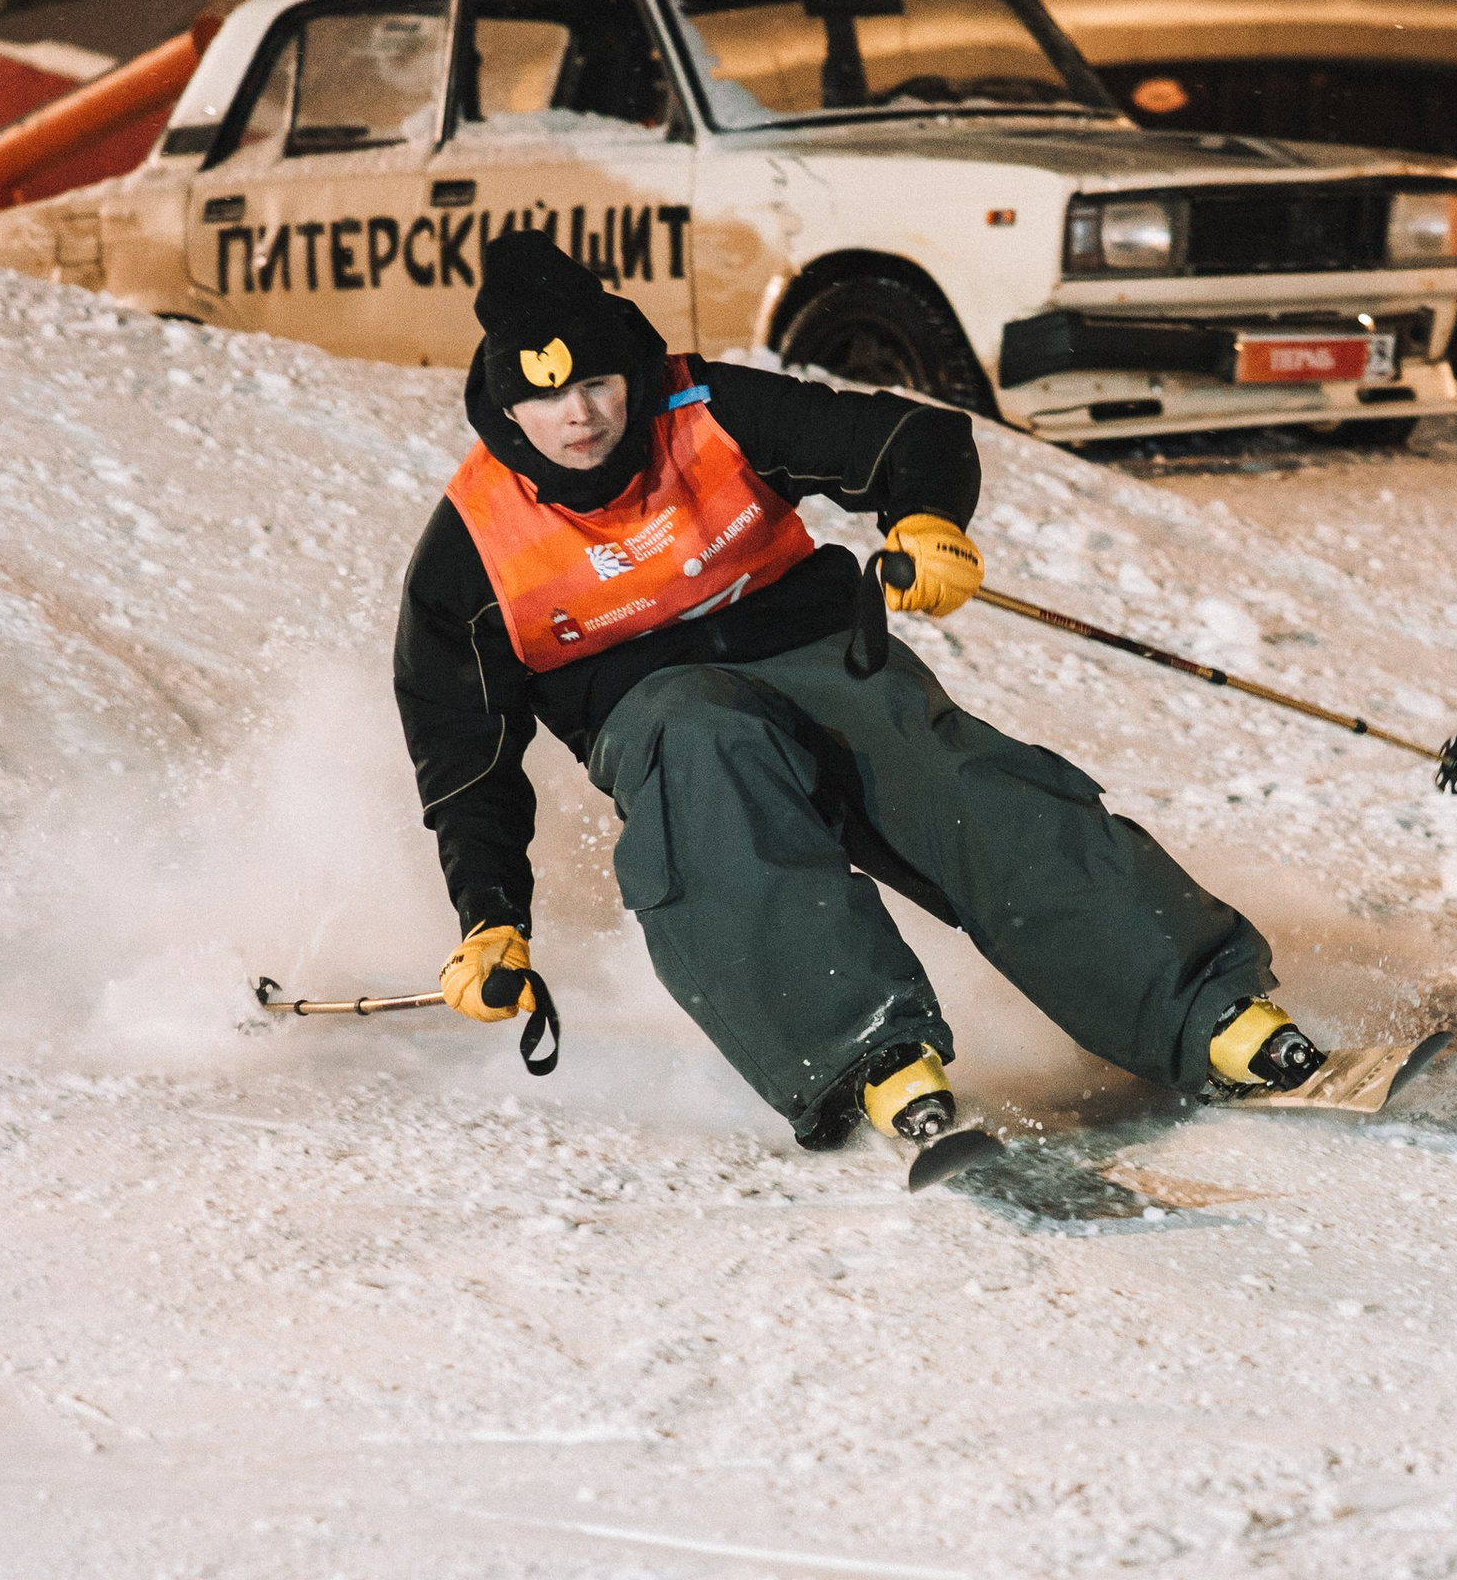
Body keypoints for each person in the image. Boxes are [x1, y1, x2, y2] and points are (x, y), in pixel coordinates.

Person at [393, 229, 1326, 1157]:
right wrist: (490, 915)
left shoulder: (706, 410)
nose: (580, 415)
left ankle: (1200, 1009)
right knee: (706, 754)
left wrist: (927, 521)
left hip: (816, 656)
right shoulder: (474, 547)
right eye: (546, 396)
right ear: (507, 406)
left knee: (965, 786)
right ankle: (864, 1053)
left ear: (629, 373)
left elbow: (907, 438)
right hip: (662, 715)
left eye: (598, 383)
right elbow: (464, 758)